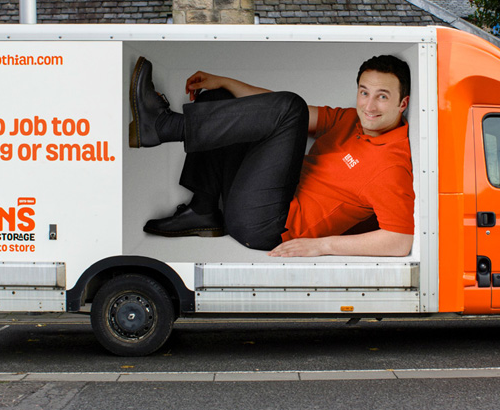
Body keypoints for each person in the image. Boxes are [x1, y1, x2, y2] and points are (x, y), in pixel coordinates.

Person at [129, 54, 414, 258]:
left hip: (269, 226)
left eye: (383, 96)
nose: (369, 106)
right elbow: (270, 110)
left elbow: (399, 240)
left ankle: (163, 126)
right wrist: (226, 81)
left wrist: (321, 246)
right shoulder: (350, 120)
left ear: (403, 103)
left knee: (291, 107)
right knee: (220, 100)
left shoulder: (392, 165)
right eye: (365, 93)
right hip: (263, 199)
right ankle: (203, 210)